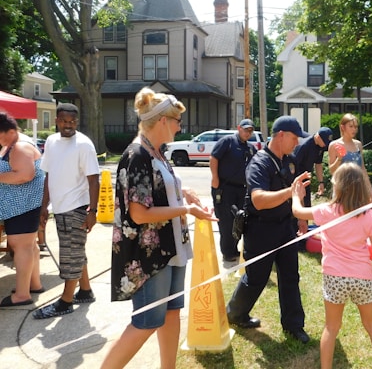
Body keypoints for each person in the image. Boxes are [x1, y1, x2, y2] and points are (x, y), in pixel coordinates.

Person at [101, 88, 216, 369]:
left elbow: (155, 190)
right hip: (148, 255)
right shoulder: (137, 154)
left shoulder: (157, 153)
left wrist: (182, 190)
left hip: (170, 248)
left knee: (172, 311)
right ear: (163, 120)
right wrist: (187, 210)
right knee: (146, 321)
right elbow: (139, 213)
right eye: (177, 120)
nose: (180, 126)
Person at [292, 163, 372, 369]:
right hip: (363, 277)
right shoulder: (369, 215)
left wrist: (295, 195)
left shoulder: (326, 211)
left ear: (337, 186)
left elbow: (297, 211)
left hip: (335, 277)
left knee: (331, 327)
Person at [226, 116, 310, 343]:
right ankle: (235, 313)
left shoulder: (289, 161)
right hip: (260, 230)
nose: (297, 143)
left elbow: (297, 191)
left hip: (285, 227)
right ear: (280, 135)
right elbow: (259, 200)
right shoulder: (259, 163)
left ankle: (294, 325)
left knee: (290, 276)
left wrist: (300, 217)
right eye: (294, 138)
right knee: (256, 278)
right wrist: (290, 193)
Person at [33, 104, 100, 319]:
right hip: (59, 207)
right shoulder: (52, 142)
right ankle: (86, 290)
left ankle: (65, 301)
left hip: (77, 207)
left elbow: (93, 180)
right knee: (75, 250)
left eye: (72, 121)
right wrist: (44, 206)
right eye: (64, 121)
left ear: (77, 122)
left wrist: (93, 211)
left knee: (70, 255)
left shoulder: (84, 145)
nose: (68, 125)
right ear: (57, 121)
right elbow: (48, 176)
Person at [0, 112, 44, 307]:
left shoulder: (19, 147)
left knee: (22, 247)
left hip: (23, 206)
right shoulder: (16, 144)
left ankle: (21, 295)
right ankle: (33, 285)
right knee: (29, 246)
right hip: (24, 206)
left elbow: (26, 174)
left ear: (10, 131)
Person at [210, 118, 257, 263]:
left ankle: (234, 249)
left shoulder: (250, 148)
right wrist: (215, 177)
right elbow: (214, 158)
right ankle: (227, 252)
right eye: (245, 129)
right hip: (225, 187)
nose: (247, 133)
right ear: (239, 128)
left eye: (250, 130)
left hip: (242, 189)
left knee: (240, 220)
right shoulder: (227, 142)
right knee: (226, 221)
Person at [328, 113, 372, 200]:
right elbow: (331, 171)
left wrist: (369, 190)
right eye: (351, 126)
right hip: (341, 191)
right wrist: (339, 159)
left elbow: (363, 169)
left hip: (358, 190)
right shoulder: (334, 145)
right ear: (342, 127)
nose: (354, 129)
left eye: (356, 127)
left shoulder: (358, 144)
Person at [293, 127, 333, 227]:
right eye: (324, 142)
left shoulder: (321, 146)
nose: (325, 145)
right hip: (297, 179)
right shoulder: (304, 146)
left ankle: (304, 232)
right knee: (298, 208)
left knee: (306, 207)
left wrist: (321, 182)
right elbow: (293, 166)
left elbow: (318, 164)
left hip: (306, 179)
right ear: (318, 137)